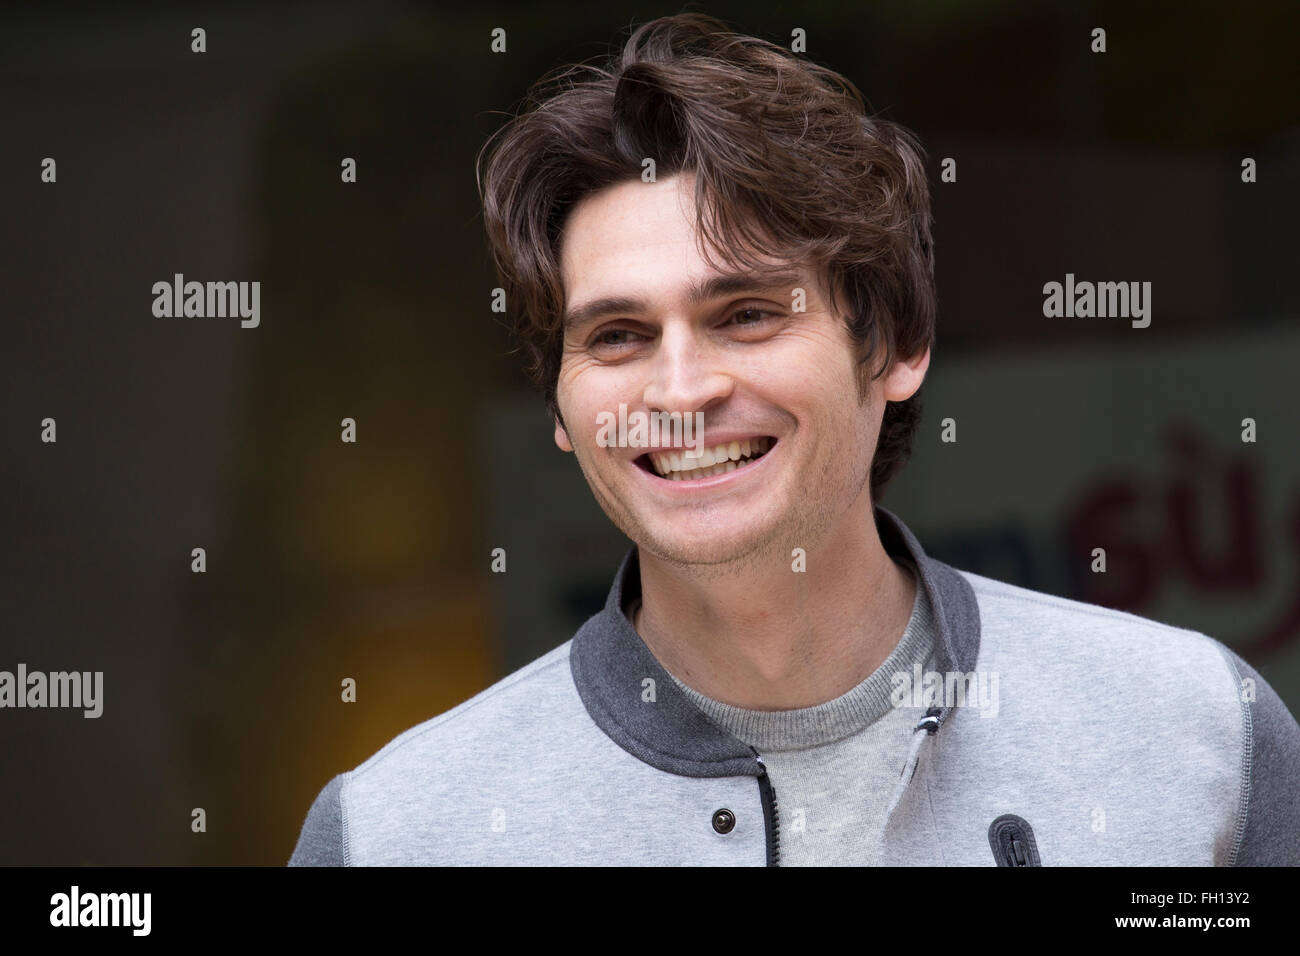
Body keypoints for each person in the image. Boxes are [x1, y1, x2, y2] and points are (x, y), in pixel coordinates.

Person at [289, 12, 1299, 866]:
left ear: (894, 344)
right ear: (560, 408)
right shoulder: (396, 832)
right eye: (618, 334)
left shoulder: (1199, 734)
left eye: (746, 315)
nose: (680, 389)